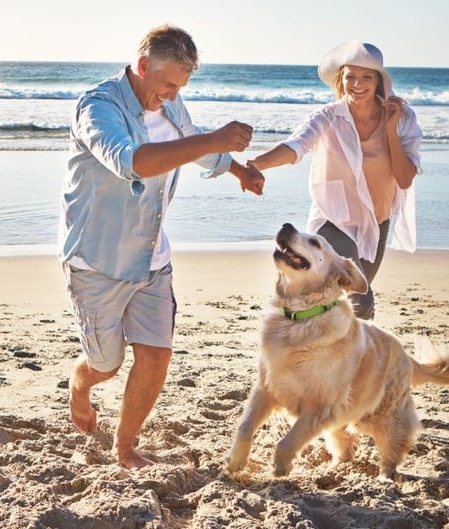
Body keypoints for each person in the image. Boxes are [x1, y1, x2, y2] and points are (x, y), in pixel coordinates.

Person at [58, 24, 265, 469]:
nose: (173, 94)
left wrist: (237, 170)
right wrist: (212, 140)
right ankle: (80, 381)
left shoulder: (170, 104)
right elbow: (132, 162)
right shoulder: (98, 108)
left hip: (152, 255)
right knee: (106, 365)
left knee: (156, 355)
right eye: (169, 83)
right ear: (143, 65)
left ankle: (125, 446)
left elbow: (193, 147)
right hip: (98, 260)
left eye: (181, 86)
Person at [247, 40, 422, 319]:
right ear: (340, 80)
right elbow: (296, 146)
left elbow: (404, 179)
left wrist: (390, 130)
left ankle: (332, 353)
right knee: (359, 301)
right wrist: (257, 164)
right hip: (334, 221)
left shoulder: (403, 120)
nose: (357, 84)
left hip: (376, 224)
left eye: (366, 76)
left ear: (378, 81)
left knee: (345, 306)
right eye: (350, 76)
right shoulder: (328, 117)